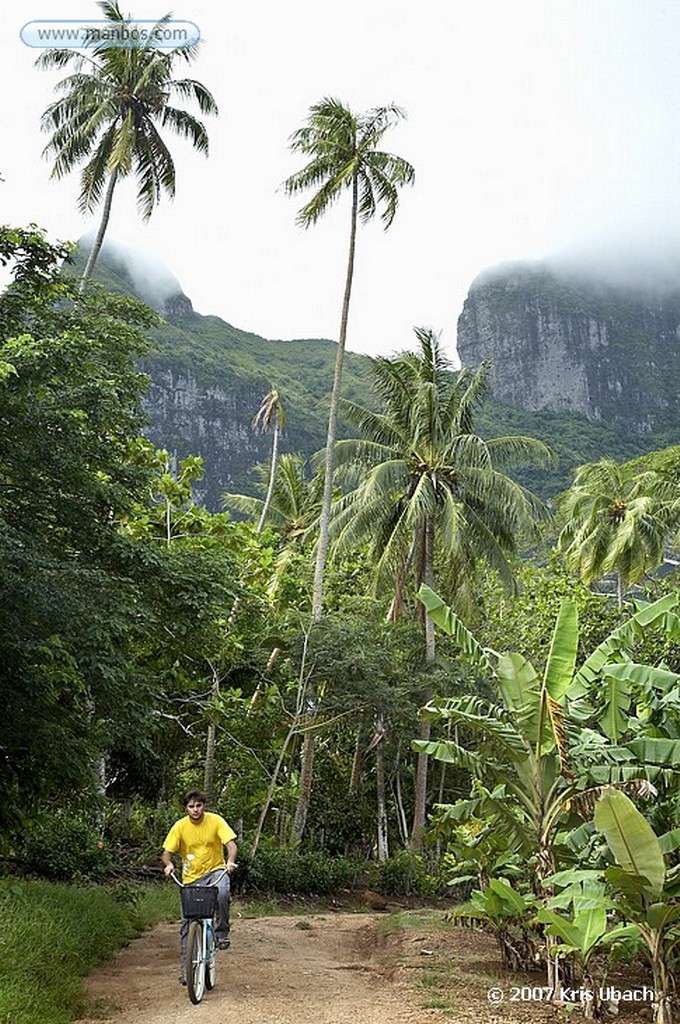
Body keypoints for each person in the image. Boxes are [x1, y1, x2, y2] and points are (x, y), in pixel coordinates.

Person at [162, 789, 238, 985]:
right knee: (187, 924)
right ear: (186, 808)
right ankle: (186, 971)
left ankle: (221, 933)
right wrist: (169, 865)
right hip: (191, 877)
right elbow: (167, 853)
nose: (195, 810)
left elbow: (231, 844)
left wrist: (230, 862)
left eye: (198, 805)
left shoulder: (216, 821)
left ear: (204, 806)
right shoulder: (180, 826)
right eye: (191, 806)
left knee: (222, 893)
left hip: (216, 871)